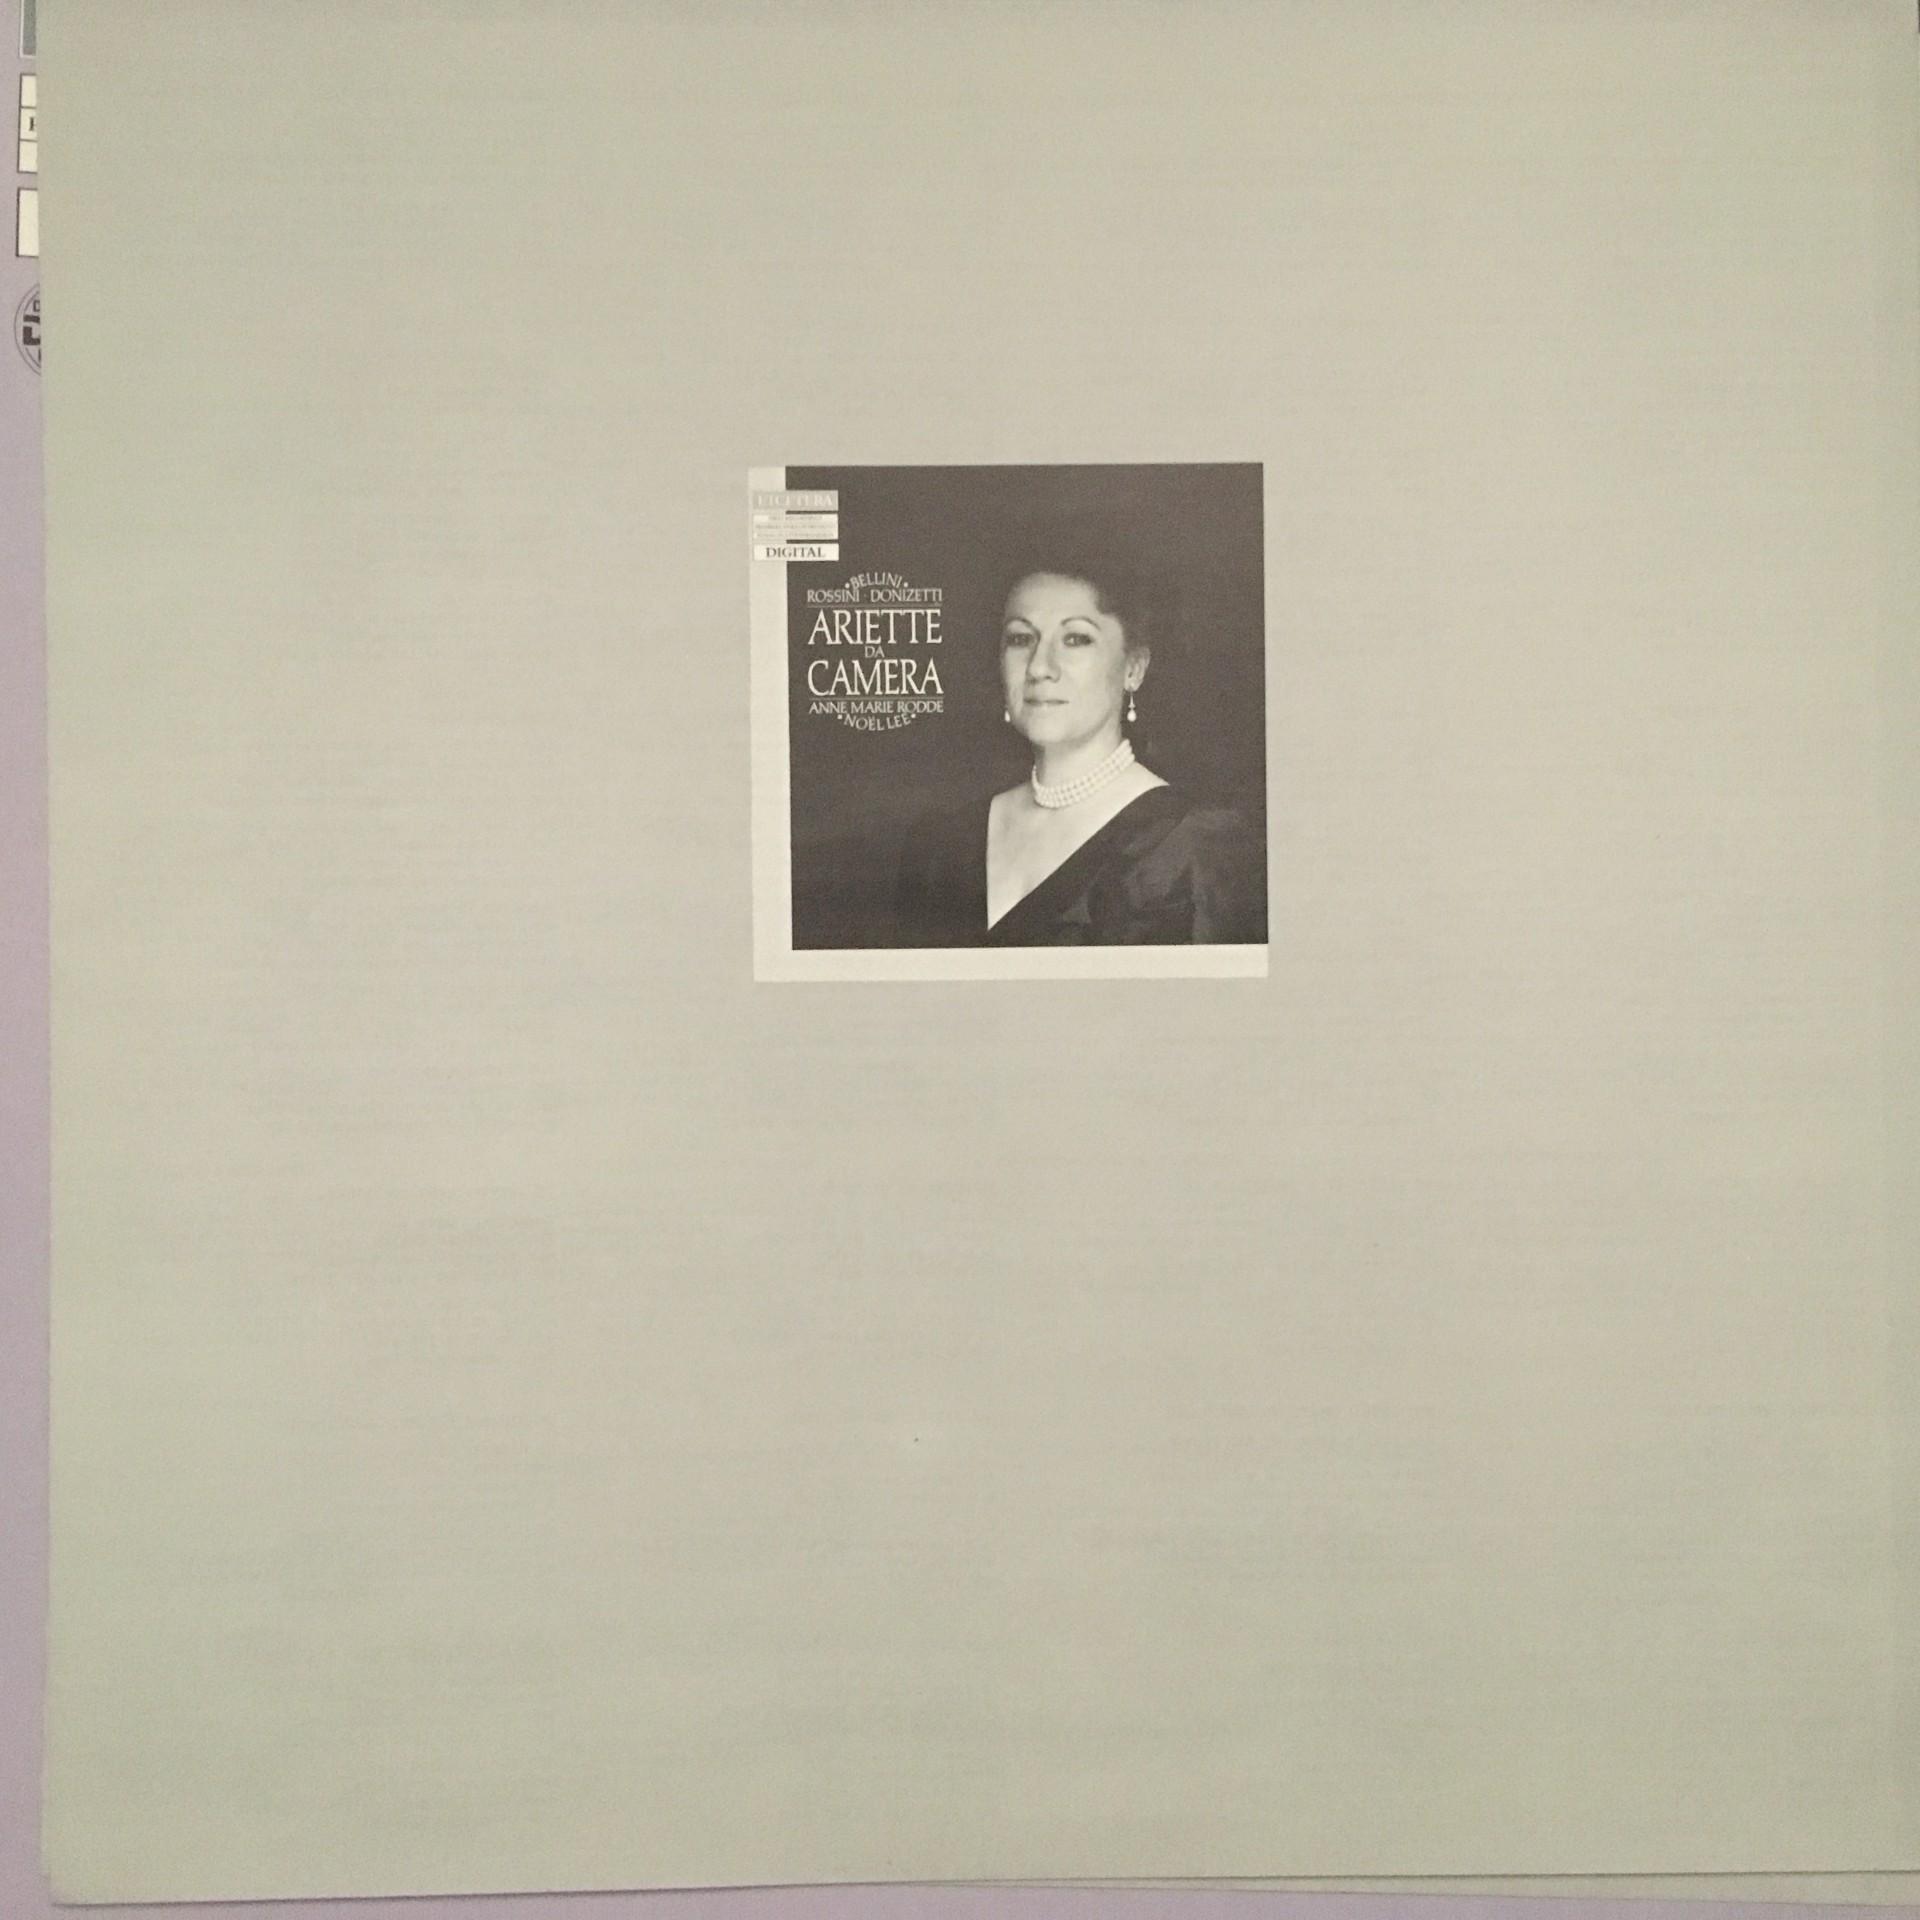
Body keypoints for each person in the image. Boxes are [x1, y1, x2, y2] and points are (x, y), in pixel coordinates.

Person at [893, 549, 1265, 946]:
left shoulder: (1197, 847)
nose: (1039, 667)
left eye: (1075, 639)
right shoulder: (945, 843)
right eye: (1020, 639)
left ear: (1133, 668)